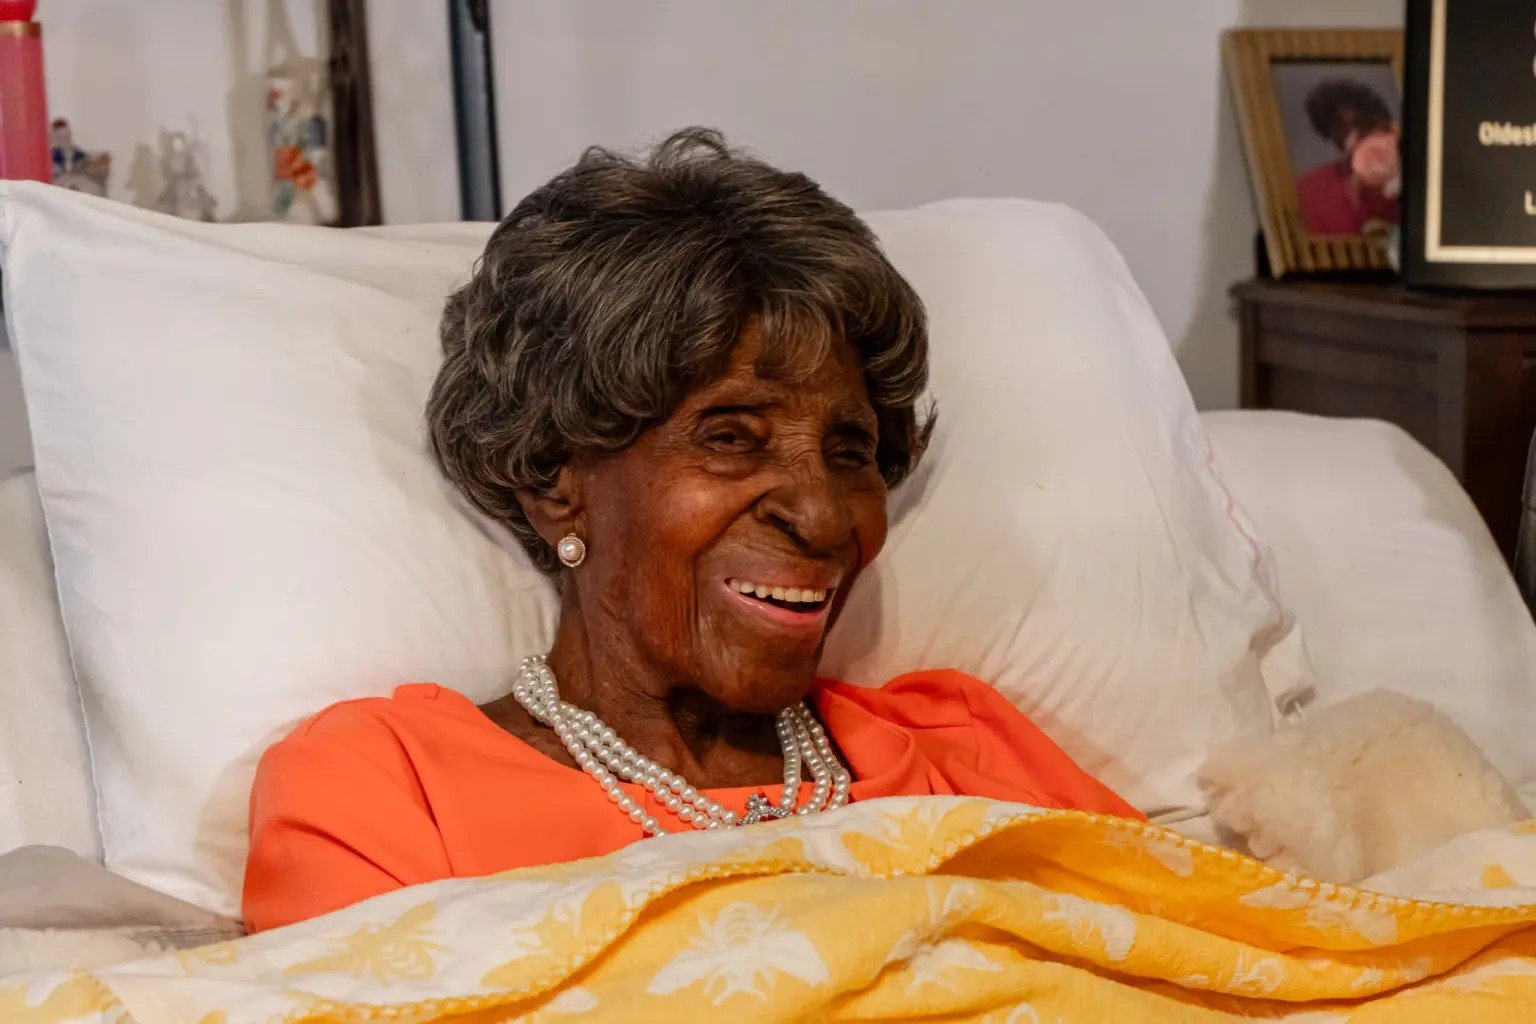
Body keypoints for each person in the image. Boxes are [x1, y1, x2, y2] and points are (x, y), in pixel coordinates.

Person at [242, 128, 1141, 933]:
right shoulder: (392, 791)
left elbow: (1193, 960)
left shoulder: (965, 753)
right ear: (554, 479)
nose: (824, 515)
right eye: (730, 438)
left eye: (849, 451)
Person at [1294, 77, 1401, 236]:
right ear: (1328, 132)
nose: (1354, 135)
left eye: (1362, 123)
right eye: (1340, 126)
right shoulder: (1309, 188)